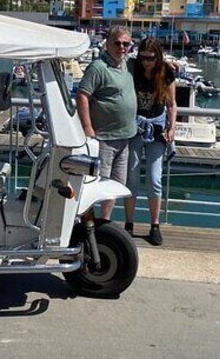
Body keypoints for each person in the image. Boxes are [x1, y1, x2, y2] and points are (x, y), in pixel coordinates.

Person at [76, 26, 137, 220]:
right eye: (117, 43)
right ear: (108, 44)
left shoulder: (127, 64)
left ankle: (105, 223)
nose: (121, 47)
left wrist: (170, 67)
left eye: (126, 44)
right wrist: (87, 128)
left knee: (114, 186)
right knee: (96, 184)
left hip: (124, 138)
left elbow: (152, 63)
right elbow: (83, 95)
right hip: (103, 138)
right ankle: (88, 226)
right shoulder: (98, 67)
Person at [125, 37, 177, 246]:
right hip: (134, 127)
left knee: (155, 180)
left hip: (157, 130)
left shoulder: (166, 72)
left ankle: (155, 225)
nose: (146, 62)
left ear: (158, 57)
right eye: (143, 57)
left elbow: (172, 104)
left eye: (151, 58)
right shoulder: (132, 68)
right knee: (132, 178)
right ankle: (129, 223)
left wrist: (172, 128)